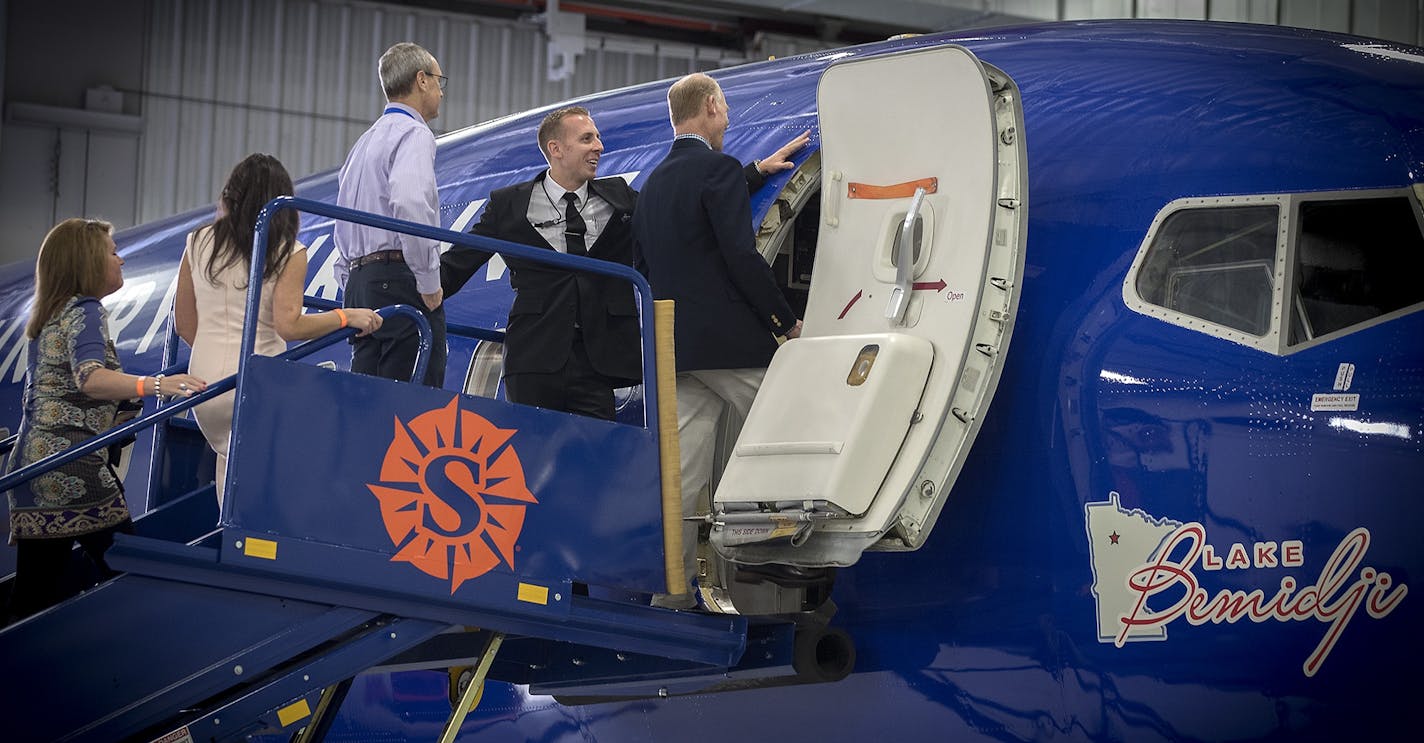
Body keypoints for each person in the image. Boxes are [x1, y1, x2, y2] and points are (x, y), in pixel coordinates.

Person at [440, 106, 808, 421]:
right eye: (586, 139)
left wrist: (754, 173)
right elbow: (459, 263)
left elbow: (682, 211)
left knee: (598, 462)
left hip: (598, 363)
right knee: (532, 463)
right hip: (534, 359)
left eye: (597, 137)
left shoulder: (619, 197)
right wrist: (405, 296)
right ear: (556, 149)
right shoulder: (508, 204)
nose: (598, 146)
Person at [632, 73, 805, 607]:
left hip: (674, 350)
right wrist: (784, 320)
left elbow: (663, 245)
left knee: (681, 476)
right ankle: (777, 554)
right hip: (731, 343)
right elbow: (739, 255)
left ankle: (673, 591)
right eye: (724, 109)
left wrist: (754, 174)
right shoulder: (717, 169)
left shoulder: (653, 183)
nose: (727, 119)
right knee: (788, 427)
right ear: (710, 106)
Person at [4, 219, 207, 622]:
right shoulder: (85, 311)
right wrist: (157, 384)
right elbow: (90, 379)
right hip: (71, 469)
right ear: (88, 262)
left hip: (37, 468)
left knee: (35, 592)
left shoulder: (51, 315)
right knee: (128, 568)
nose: (121, 260)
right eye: (113, 252)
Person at [176, 154, 382, 505]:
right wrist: (346, 317)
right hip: (257, 381)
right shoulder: (287, 250)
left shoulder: (197, 242)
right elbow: (290, 325)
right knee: (328, 434)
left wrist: (216, 352)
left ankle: (231, 537)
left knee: (230, 461)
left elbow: (183, 322)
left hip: (203, 386)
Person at [335, 41, 447, 387]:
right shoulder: (414, 133)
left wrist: (352, 282)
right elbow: (411, 204)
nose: (442, 91)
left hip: (361, 283)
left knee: (368, 397)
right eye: (440, 81)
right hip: (397, 280)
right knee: (412, 406)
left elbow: (343, 217)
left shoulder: (364, 142)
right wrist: (428, 281)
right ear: (422, 80)